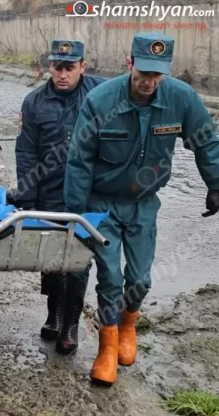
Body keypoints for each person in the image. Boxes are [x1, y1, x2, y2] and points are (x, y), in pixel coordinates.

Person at [64, 32, 219, 386]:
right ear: (129, 63)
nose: (148, 81)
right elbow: (78, 161)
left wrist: (215, 184)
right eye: (143, 72)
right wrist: (76, 217)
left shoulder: (182, 99)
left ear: (166, 71)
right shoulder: (101, 101)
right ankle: (107, 345)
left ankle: (128, 323)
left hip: (143, 203)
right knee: (110, 278)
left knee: (140, 279)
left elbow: (205, 140)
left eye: (157, 74)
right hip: (101, 203)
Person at [15, 39, 107, 355]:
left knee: (78, 261)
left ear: (83, 66)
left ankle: (70, 324)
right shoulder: (34, 102)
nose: (63, 74)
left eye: (70, 68)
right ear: (49, 67)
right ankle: (53, 312)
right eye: (58, 67)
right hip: (49, 190)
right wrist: (26, 195)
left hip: (87, 193)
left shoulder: (101, 95)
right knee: (52, 258)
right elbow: (26, 150)